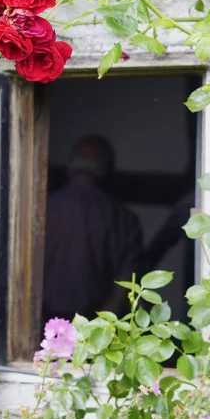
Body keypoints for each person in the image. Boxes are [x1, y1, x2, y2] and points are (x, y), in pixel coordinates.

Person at [43, 136, 144, 323]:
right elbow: (124, 286)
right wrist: (96, 329)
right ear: (107, 167)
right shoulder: (124, 218)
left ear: (72, 163)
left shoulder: (40, 209)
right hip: (93, 325)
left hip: (40, 322)